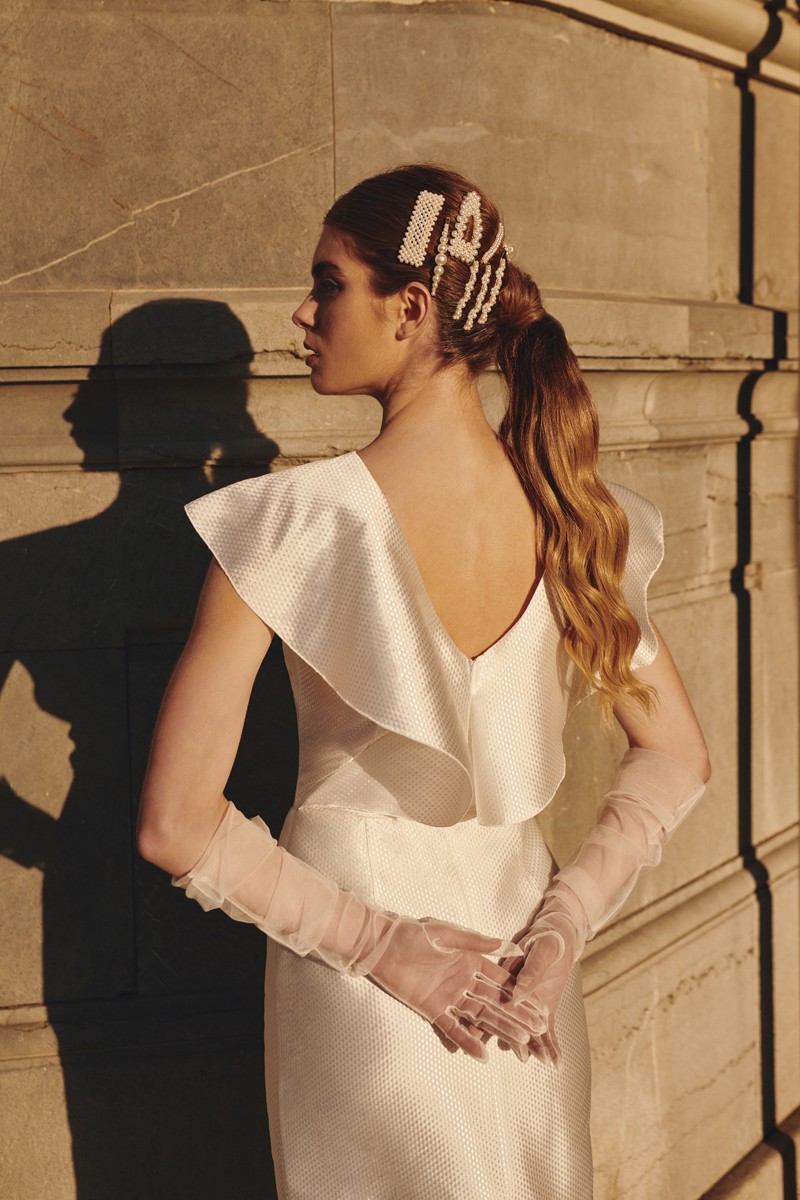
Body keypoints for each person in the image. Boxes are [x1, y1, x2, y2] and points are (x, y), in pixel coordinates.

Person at [137, 163, 711, 1198]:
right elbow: (676, 754)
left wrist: (374, 944)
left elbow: (173, 824)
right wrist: (562, 922)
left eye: (327, 283)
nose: (302, 313)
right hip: (525, 970)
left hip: (364, 972)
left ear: (409, 309)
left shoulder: (289, 527)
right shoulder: (571, 514)